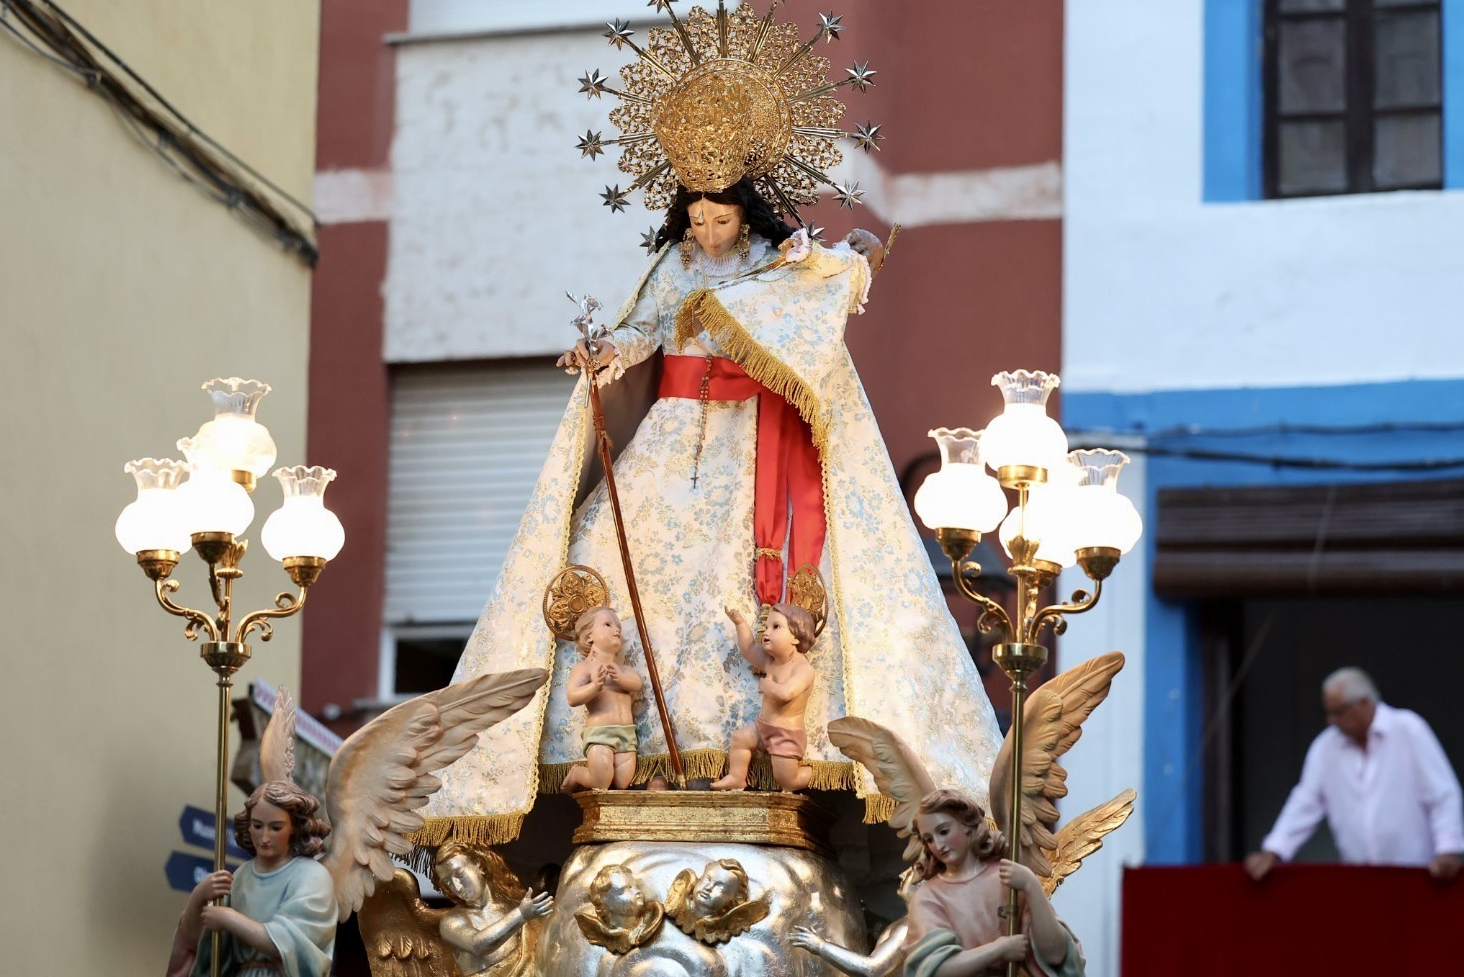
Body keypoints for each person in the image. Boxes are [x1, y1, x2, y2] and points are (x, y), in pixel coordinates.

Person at [424, 179, 1003, 837]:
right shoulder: (673, 264)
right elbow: (643, 328)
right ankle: (640, 749)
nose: (707, 232)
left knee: (727, 585)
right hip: (671, 434)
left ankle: (741, 748)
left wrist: (850, 256)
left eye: (720, 219)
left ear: (742, 213)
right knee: (610, 549)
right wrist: (607, 351)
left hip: (749, 443)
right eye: (696, 218)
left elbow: (834, 282)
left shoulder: (776, 258)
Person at [1244, 667, 1464, 881]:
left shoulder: (1408, 729)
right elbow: (1305, 803)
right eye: (1329, 713)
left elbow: (1442, 793)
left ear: (1363, 703)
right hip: (1359, 878)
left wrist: (1447, 848)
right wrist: (1275, 850)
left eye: (1338, 712)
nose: (1330, 720)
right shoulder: (1325, 747)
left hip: (1417, 875)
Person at [903, 790, 1082, 977]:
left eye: (944, 831)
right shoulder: (928, 898)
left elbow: (1055, 955)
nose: (938, 845)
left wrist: (1031, 886)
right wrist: (1000, 948)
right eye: (929, 839)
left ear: (967, 825)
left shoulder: (1008, 879)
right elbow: (935, 969)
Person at [169, 780, 338, 977]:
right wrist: (198, 897)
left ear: (293, 826)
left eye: (275, 828)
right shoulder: (241, 876)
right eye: (257, 826)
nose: (264, 837)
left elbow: (291, 943)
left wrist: (230, 919)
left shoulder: (311, 875)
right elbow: (203, 946)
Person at [712, 602, 817, 792]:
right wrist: (740, 623)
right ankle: (737, 777)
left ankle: (817, 773)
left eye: (776, 627)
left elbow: (787, 693)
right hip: (762, 725)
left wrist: (768, 685)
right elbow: (749, 649)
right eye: (767, 627)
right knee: (740, 739)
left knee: (786, 781)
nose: (766, 632)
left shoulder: (803, 669)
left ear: (796, 636)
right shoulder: (771, 662)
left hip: (786, 733)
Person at [431, 842, 555, 976]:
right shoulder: (451, 921)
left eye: (459, 874)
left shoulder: (516, 906)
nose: (457, 887)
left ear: (479, 864)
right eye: (448, 882)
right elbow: (477, 945)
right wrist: (521, 915)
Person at [559, 605, 644, 793]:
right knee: (601, 782)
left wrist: (621, 679)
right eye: (607, 624)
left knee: (622, 783)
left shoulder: (623, 670)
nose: (616, 630)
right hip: (600, 734)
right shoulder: (585, 668)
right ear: (590, 636)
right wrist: (594, 687)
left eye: (618, 628)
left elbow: (637, 684)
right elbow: (573, 697)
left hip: (626, 734)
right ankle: (577, 774)